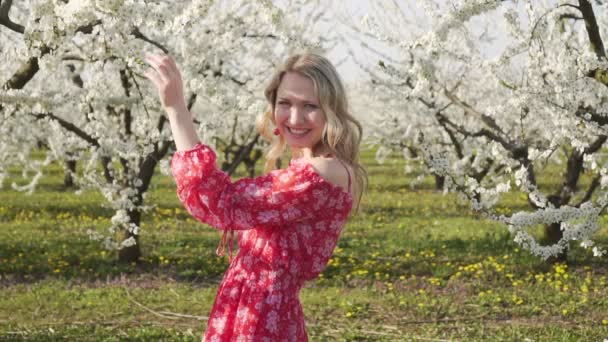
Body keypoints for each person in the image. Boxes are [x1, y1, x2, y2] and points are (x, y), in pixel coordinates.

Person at [144, 52, 367, 341]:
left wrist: (176, 109)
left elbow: (223, 201)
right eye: (285, 103)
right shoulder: (319, 164)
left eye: (310, 106)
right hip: (259, 311)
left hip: (261, 319)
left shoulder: (319, 174)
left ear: (330, 110)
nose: (295, 118)